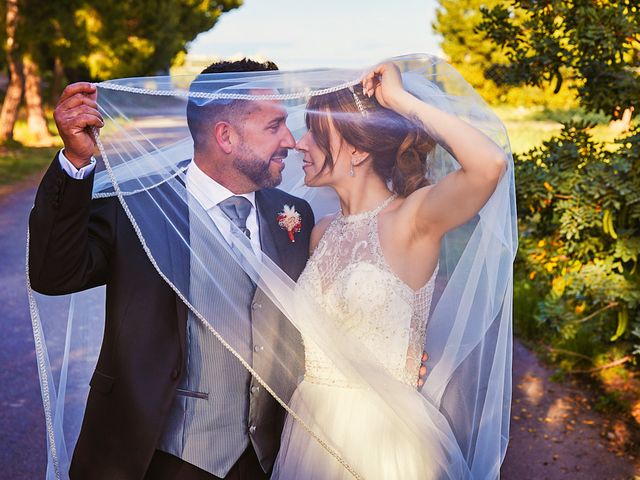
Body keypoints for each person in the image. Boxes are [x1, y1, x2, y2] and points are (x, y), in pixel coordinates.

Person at [28, 59, 315, 480]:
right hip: (156, 457)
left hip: (265, 462)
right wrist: (74, 160)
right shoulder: (137, 206)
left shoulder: (295, 216)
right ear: (226, 136)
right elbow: (54, 275)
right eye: (274, 127)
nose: (290, 140)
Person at [271, 62, 508, 478]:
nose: (299, 145)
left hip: (382, 441)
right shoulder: (320, 232)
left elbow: (489, 164)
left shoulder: (411, 219)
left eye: (315, 133)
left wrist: (400, 101)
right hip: (310, 431)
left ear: (359, 150)